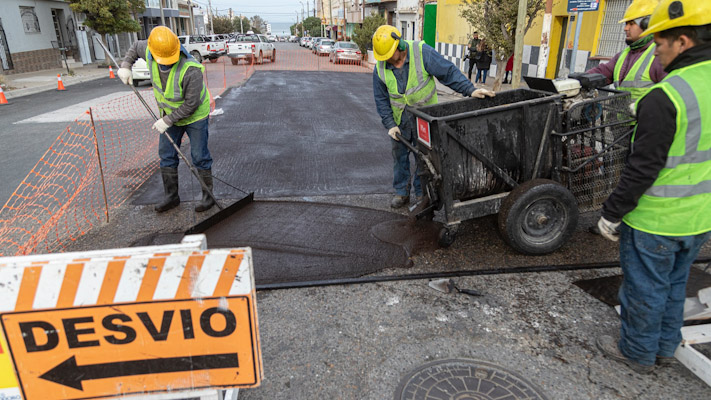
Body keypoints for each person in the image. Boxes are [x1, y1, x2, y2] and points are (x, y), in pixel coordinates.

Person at [595, 0, 711, 374]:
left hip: (656, 219)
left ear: (683, 41)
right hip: (699, 217)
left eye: (661, 39)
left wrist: (612, 212)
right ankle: (663, 348)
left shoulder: (668, 95)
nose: (655, 46)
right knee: (675, 286)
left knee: (645, 288)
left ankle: (637, 353)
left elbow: (643, 168)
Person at [372, 25, 495, 208]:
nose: (388, 59)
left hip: (424, 118)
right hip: (400, 120)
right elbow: (381, 99)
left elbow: (449, 72)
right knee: (399, 156)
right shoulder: (380, 69)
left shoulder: (421, 52)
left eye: (391, 54)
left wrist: (471, 90)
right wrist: (390, 124)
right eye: (385, 57)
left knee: (425, 158)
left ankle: (423, 193)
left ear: (400, 45)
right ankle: (401, 192)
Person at [117, 26, 215, 213]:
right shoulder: (151, 48)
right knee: (167, 155)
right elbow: (135, 46)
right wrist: (125, 66)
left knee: (199, 156)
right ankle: (171, 197)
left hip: (195, 116)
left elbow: (191, 104)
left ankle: (207, 197)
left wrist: (167, 121)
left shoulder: (191, 70)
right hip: (169, 115)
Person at [586, 0, 667, 102]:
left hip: (645, 117)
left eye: (631, 23)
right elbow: (602, 72)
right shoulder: (624, 54)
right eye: (626, 23)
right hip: (620, 116)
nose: (625, 28)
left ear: (648, 25)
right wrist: (576, 81)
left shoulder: (660, 55)